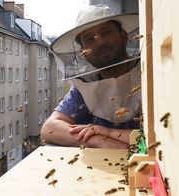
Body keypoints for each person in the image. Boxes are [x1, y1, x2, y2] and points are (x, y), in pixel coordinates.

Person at [41, 4, 141, 148]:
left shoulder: (148, 74)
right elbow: (49, 129)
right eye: (89, 39)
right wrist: (98, 141)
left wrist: (108, 132)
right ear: (83, 53)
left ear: (123, 35)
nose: (100, 42)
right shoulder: (85, 88)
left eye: (106, 32)